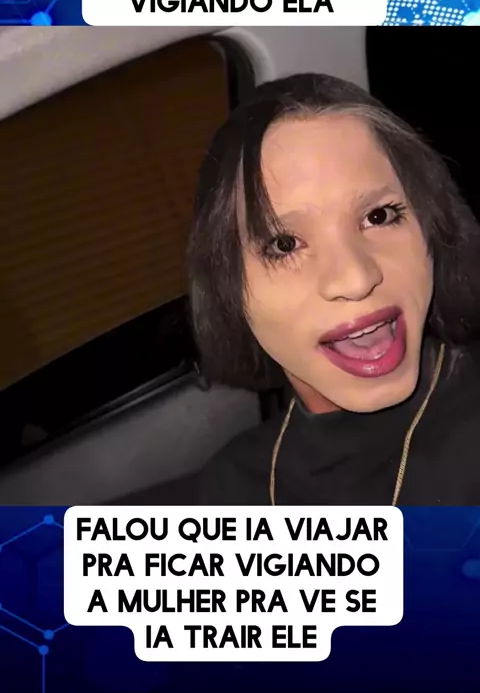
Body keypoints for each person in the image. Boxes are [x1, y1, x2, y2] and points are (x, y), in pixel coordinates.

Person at [123, 72, 480, 506]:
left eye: (379, 217)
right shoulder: (234, 488)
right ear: (228, 288)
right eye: (285, 245)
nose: (355, 279)